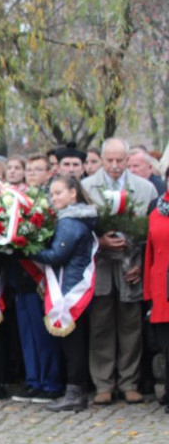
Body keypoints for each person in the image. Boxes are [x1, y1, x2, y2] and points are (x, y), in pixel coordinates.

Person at [81, 138, 158, 404]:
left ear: (128, 160)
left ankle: (129, 382)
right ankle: (103, 383)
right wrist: (98, 240)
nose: (115, 166)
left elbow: (153, 232)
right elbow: (80, 229)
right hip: (101, 264)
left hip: (131, 263)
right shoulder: (86, 187)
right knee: (100, 323)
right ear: (101, 160)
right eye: (109, 160)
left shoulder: (145, 188)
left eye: (120, 160)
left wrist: (140, 262)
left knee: (131, 325)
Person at [29, 176, 98, 412]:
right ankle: (75, 391)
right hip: (69, 284)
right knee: (72, 343)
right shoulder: (71, 219)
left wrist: (26, 248)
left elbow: (57, 256)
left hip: (70, 290)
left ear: (73, 194)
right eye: (52, 193)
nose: (53, 198)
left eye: (59, 193)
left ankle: (76, 393)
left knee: (73, 344)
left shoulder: (70, 222)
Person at [144, 187, 169, 414]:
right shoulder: (156, 211)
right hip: (162, 286)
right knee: (166, 344)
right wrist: (149, 292)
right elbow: (150, 254)